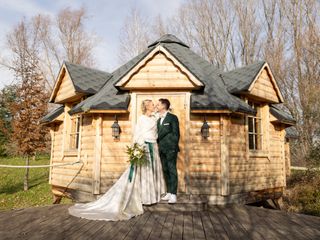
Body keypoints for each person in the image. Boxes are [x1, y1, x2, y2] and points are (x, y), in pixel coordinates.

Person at [68, 100, 166, 221]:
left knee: (152, 171)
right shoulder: (141, 119)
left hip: (154, 147)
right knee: (143, 172)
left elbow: (160, 120)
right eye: (151, 104)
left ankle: (152, 196)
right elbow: (137, 135)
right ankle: (144, 198)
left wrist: (160, 113)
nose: (154, 105)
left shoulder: (154, 117)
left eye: (153, 104)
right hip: (144, 147)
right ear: (146, 107)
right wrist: (137, 150)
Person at [156, 98, 180, 204]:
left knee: (172, 170)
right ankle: (169, 192)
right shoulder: (158, 120)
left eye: (158, 104)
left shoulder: (172, 118)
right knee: (165, 170)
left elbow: (176, 134)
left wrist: (173, 147)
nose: (156, 106)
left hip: (171, 149)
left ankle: (174, 194)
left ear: (163, 106)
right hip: (161, 149)